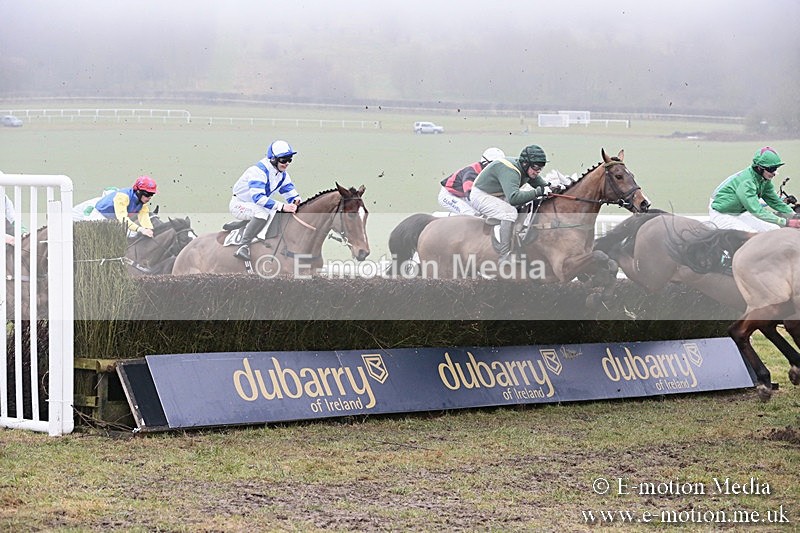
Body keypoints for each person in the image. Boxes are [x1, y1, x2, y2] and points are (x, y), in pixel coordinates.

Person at [470, 144, 557, 264]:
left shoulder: (527, 170)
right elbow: (514, 198)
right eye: (536, 167)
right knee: (509, 213)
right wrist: (539, 192)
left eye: (541, 168)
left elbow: (543, 186)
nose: (538, 171)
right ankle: (504, 255)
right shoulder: (511, 171)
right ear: (526, 163)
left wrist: (553, 188)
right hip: (481, 195)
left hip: (497, 194)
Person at [230, 139, 303, 261]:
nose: (287, 163)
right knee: (263, 213)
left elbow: (291, 194)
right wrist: (283, 206)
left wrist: (296, 201)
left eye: (289, 159)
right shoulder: (258, 171)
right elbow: (258, 198)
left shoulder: (282, 175)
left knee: (277, 214)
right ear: (273, 159)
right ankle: (243, 246)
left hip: (257, 205)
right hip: (240, 204)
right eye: (283, 160)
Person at [709, 146, 797, 232]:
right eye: (771, 169)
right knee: (750, 235)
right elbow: (757, 210)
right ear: (759, 168)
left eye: (776, 168)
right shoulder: (747, 183)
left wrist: (794, 215)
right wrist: (786, 222)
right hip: (721, 213)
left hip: (740, 213)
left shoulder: (764, 180)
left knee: (774, 230)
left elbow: (775, 201)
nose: (774, 173)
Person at [438, 147, 505, 216]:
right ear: (485, 163)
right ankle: (439, 218)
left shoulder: (489, 173)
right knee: (470, 214)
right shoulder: (471, 173)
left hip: (463, 195)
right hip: (449, 195)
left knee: (481, 213)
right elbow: (470, 195)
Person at [91, 176, 157, 237]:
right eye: (147, 194)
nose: (149, 198)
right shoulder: (123, 197)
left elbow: (144, 218)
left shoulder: (143, 203)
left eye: (152, 195)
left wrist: (149, 229)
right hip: (100, 216)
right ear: (138, 191)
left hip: (115, 219)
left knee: (132, 235)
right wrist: (141, 229)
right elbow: (122, 219)